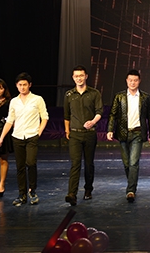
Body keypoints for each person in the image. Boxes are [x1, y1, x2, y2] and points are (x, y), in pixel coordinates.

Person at [0, 72, 49, 207]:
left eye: (25, 84)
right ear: (16, 85)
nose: (22, 87)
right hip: (18, 136)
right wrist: (1, 138)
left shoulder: (37, 99)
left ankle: (32, 191)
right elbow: (10, 120)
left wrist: (39, 132)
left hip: (32, 136)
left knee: (30, 163)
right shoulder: (14, 101)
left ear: (29, 85)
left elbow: (44, 117)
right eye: (20, 85)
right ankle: (22, 194)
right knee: (20, 167)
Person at [107, 69, 150, 202]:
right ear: (126, 81)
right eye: (130, 80)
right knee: (127, 163)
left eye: (135, 80)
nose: (133, 83)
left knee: (134, 162)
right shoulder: (119, 96)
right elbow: (113, 114)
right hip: (123, 132)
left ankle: (131, 190)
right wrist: (110, 129)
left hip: (138, 133)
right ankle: (132, 183)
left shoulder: (145, 97)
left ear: (139, 81)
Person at [64, 65, 103, 206]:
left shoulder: (94, 93)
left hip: (89, 134)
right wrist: (67, 131)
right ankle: (72, 194)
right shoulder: (69, 95)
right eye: (76, 76)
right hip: (75, 134)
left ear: (86, 76)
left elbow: (99, 111)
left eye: (81, 75)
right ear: (73, 78)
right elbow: (66, 115)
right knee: (75, 163)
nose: (79, 78)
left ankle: (88, 189)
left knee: (88, 163)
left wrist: (93, 122)